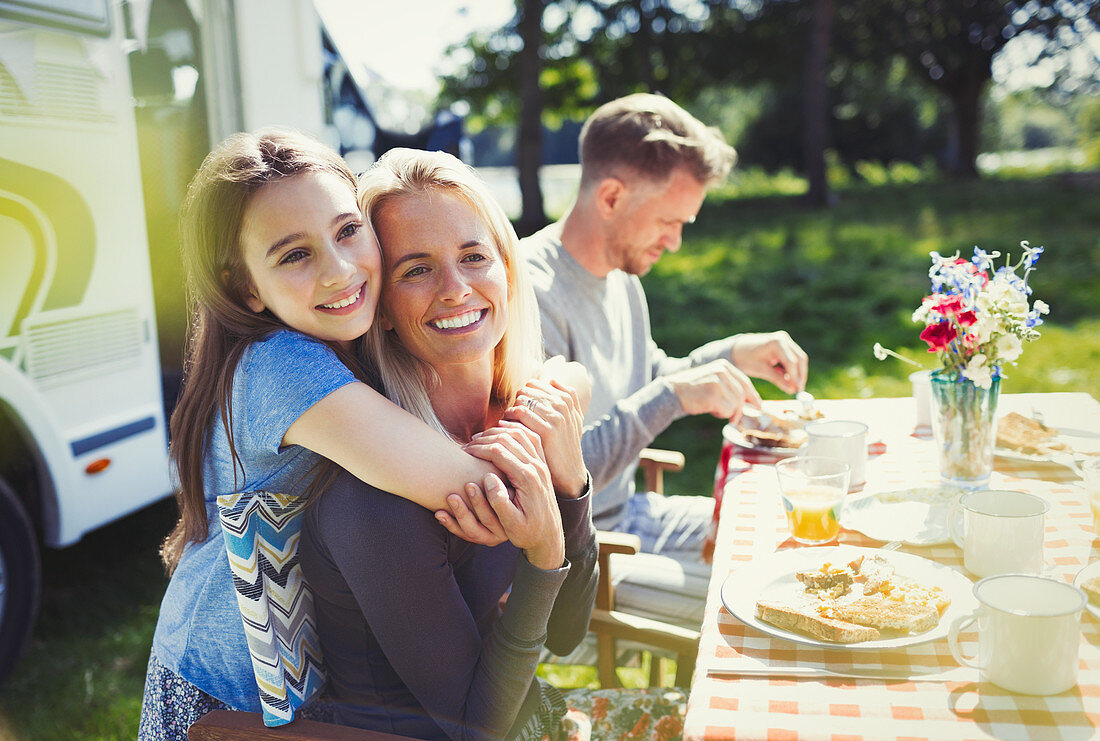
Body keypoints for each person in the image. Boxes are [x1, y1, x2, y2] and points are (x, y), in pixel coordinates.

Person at [137, 129, 570, 739]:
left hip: (297, 669)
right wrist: (559, 405)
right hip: (227, 695)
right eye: (294, 255)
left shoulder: (334, 341)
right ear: (245, 288)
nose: (340, 272)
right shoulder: (284, 365)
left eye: (347, 231)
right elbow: (485, 492)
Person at [300, 148, 687, 741]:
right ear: (379, 311)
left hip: (537, 713)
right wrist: (542, 549)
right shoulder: (378, 492)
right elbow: (477, 729)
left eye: (474, 256)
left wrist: (571, 486)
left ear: (508, 268)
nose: (456, 289)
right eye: (417, 269)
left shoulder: (517, 415)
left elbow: (564, 633)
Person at [521, 93, 809, 626]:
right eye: (668, 221)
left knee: (784, 541)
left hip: (635, 514)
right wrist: (673, 397)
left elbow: (645, 377)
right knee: (768, 600)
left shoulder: (621, 275)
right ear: (610, 197)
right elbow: (563, 474)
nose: (675, 242)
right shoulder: (530, 297)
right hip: (584, 556)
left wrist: (732, 354)